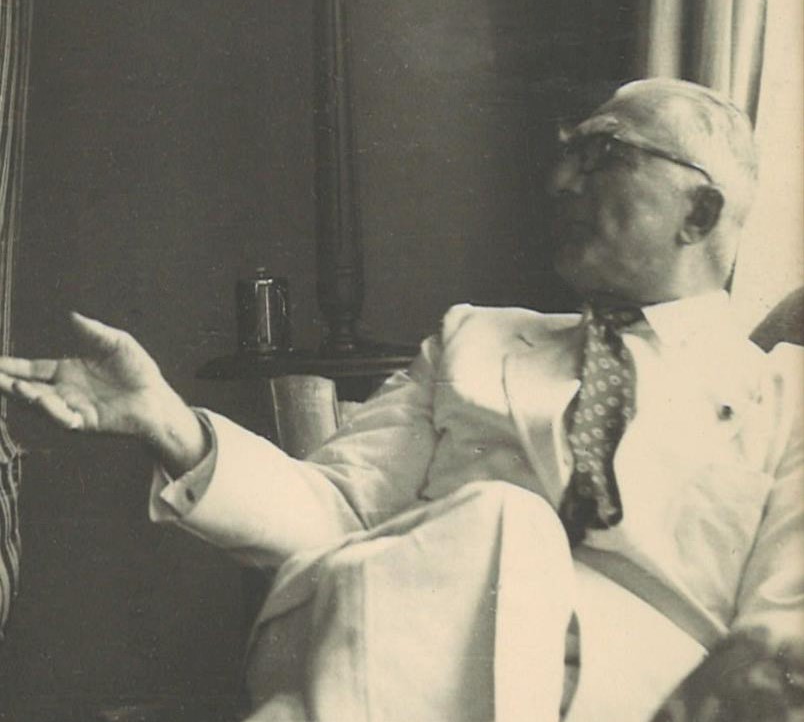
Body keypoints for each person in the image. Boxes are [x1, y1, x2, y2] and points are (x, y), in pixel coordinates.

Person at [0, 78, 801, 721]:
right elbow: (338, 508)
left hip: (631, 694)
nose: (561, 180)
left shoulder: (787, 398)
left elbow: (782, 625)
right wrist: (169, 423)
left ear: (701, 210)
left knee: (502, 528)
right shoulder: (475, 340)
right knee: (502, 523)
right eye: (567, 155)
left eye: (602, 155)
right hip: (385, 621)